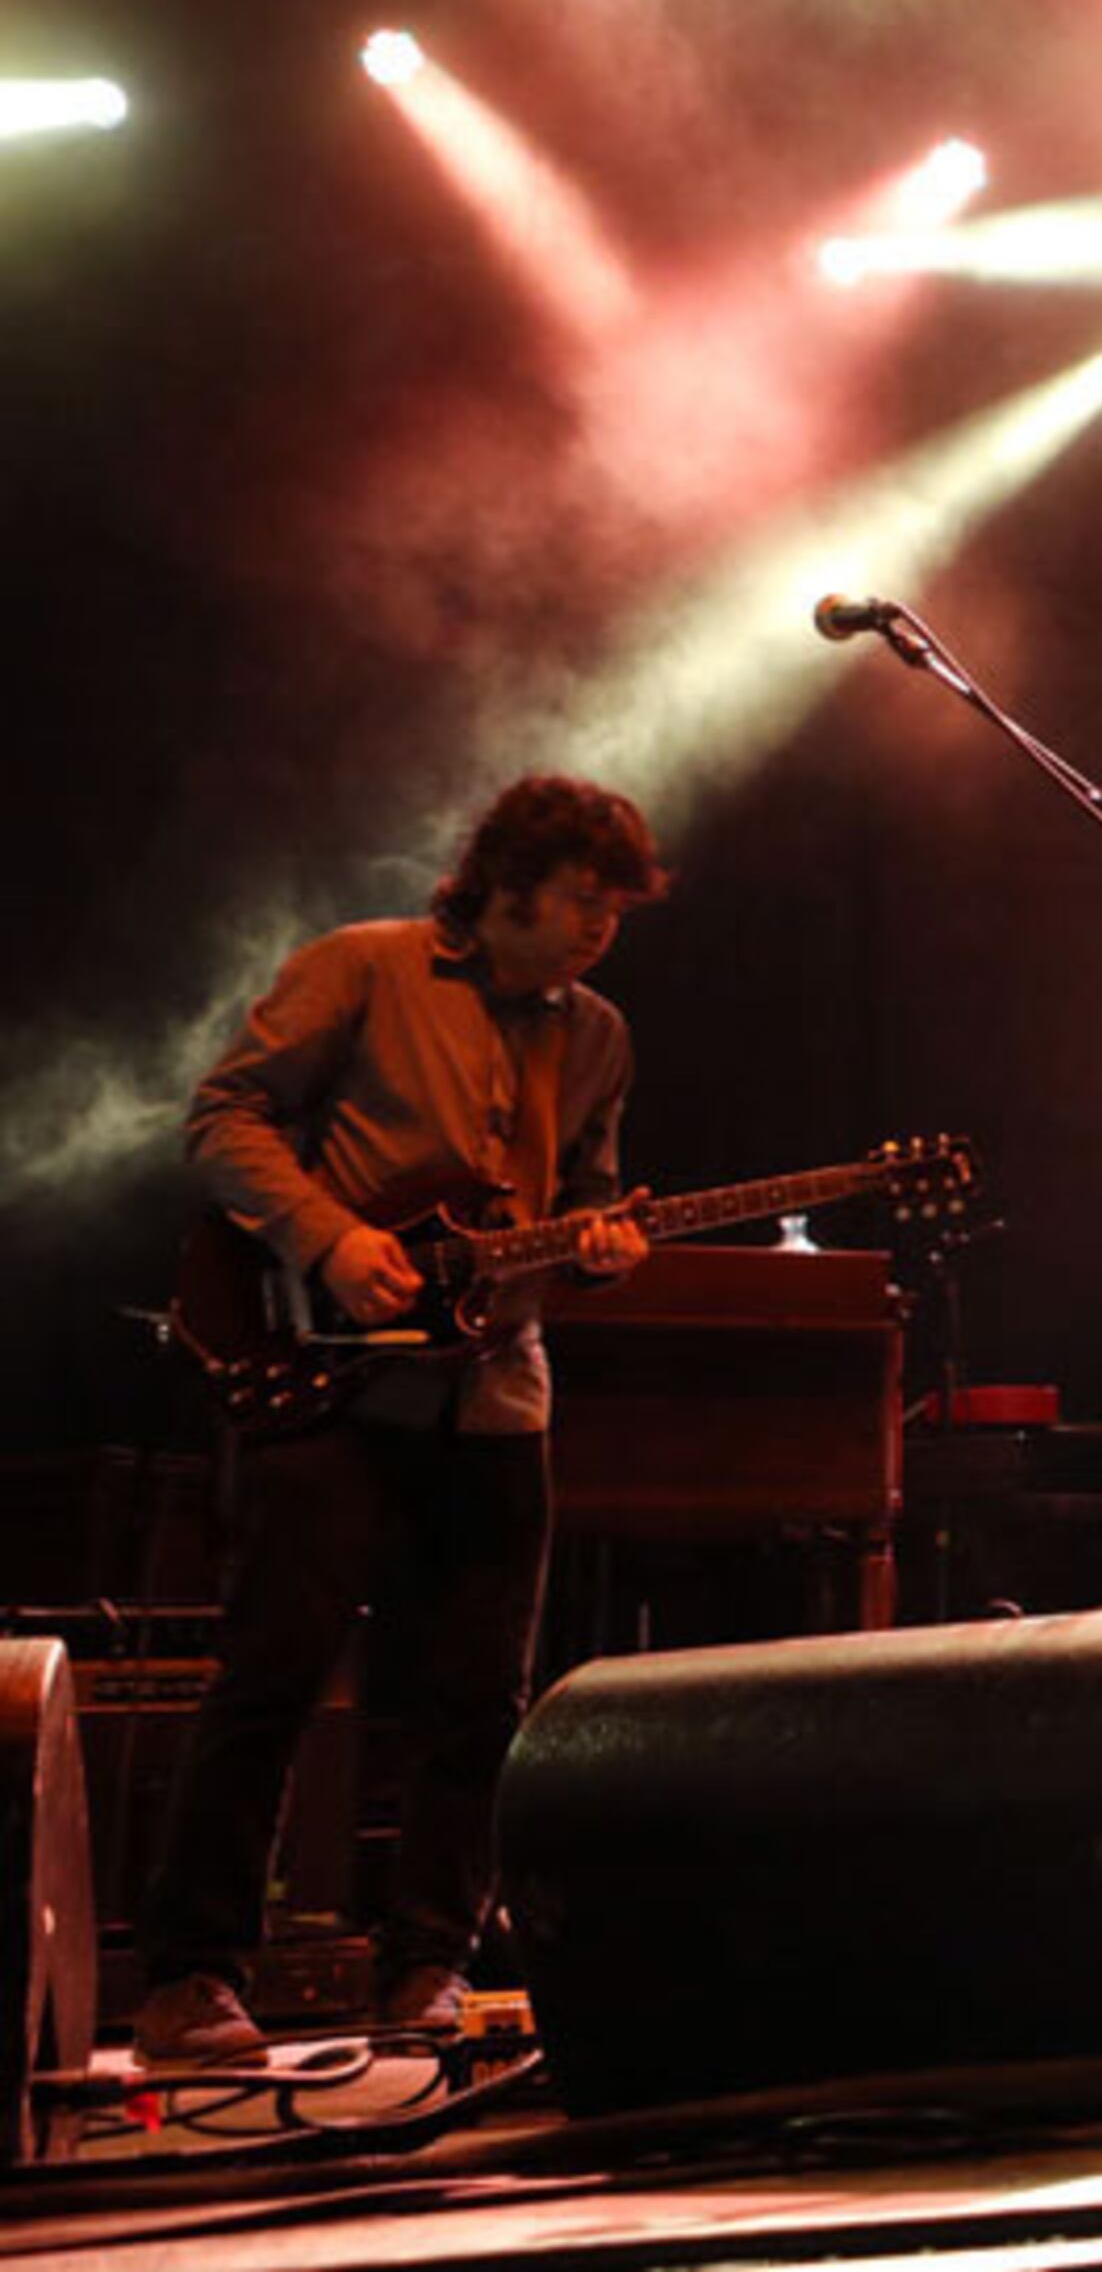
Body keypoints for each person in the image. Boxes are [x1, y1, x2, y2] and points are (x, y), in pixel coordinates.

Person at [134, 776, 666, 2065]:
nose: (601, 931)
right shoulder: (365, 967)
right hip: (329, 1377)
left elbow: (581, 1195)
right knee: (274, 1674)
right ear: (507, 884)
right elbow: (222, 1118)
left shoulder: (597, 1033)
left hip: (494, 1392)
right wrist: (329, 1237)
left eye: (616, 912)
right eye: (585, 904)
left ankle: (428, 1959)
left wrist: (603, 1246)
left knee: (479, 1695)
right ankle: (190, 1978)